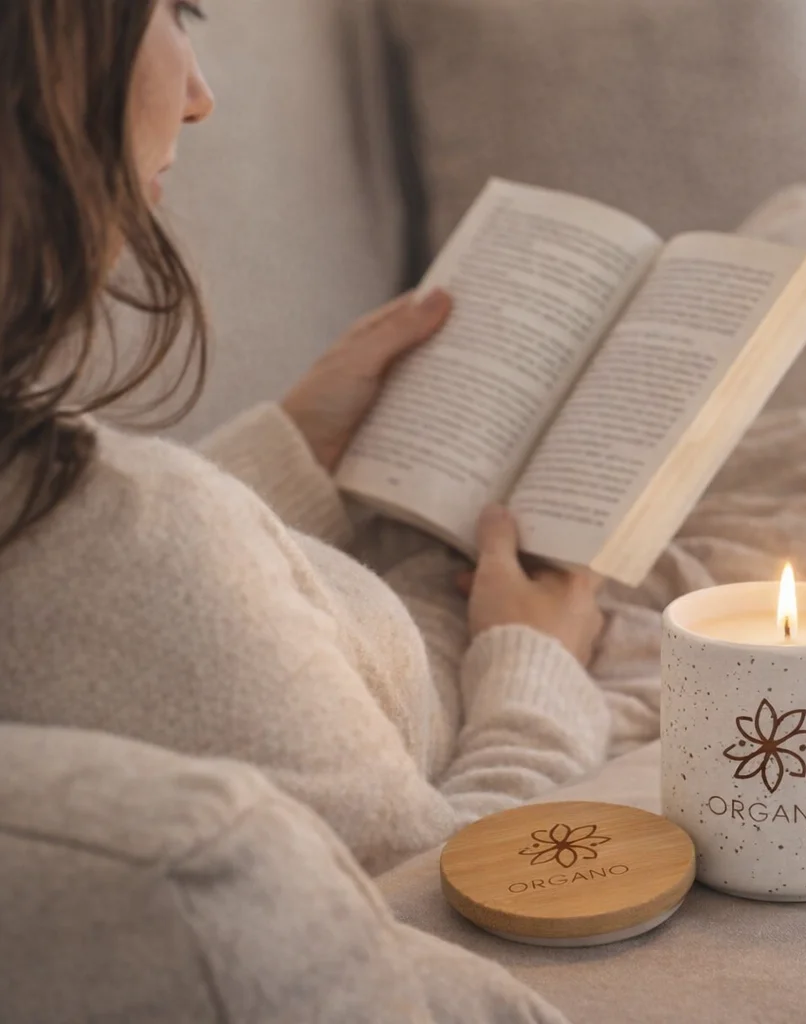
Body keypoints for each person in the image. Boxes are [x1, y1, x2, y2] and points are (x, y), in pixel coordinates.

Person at [0, 0, 612, 879]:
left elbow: (133, 626)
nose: (199, 97)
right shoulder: (142, 555)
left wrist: (291, 450)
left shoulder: (83, 526)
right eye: (174, 11)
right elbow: (431, 905)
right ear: (48, 62)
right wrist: (536, 674)